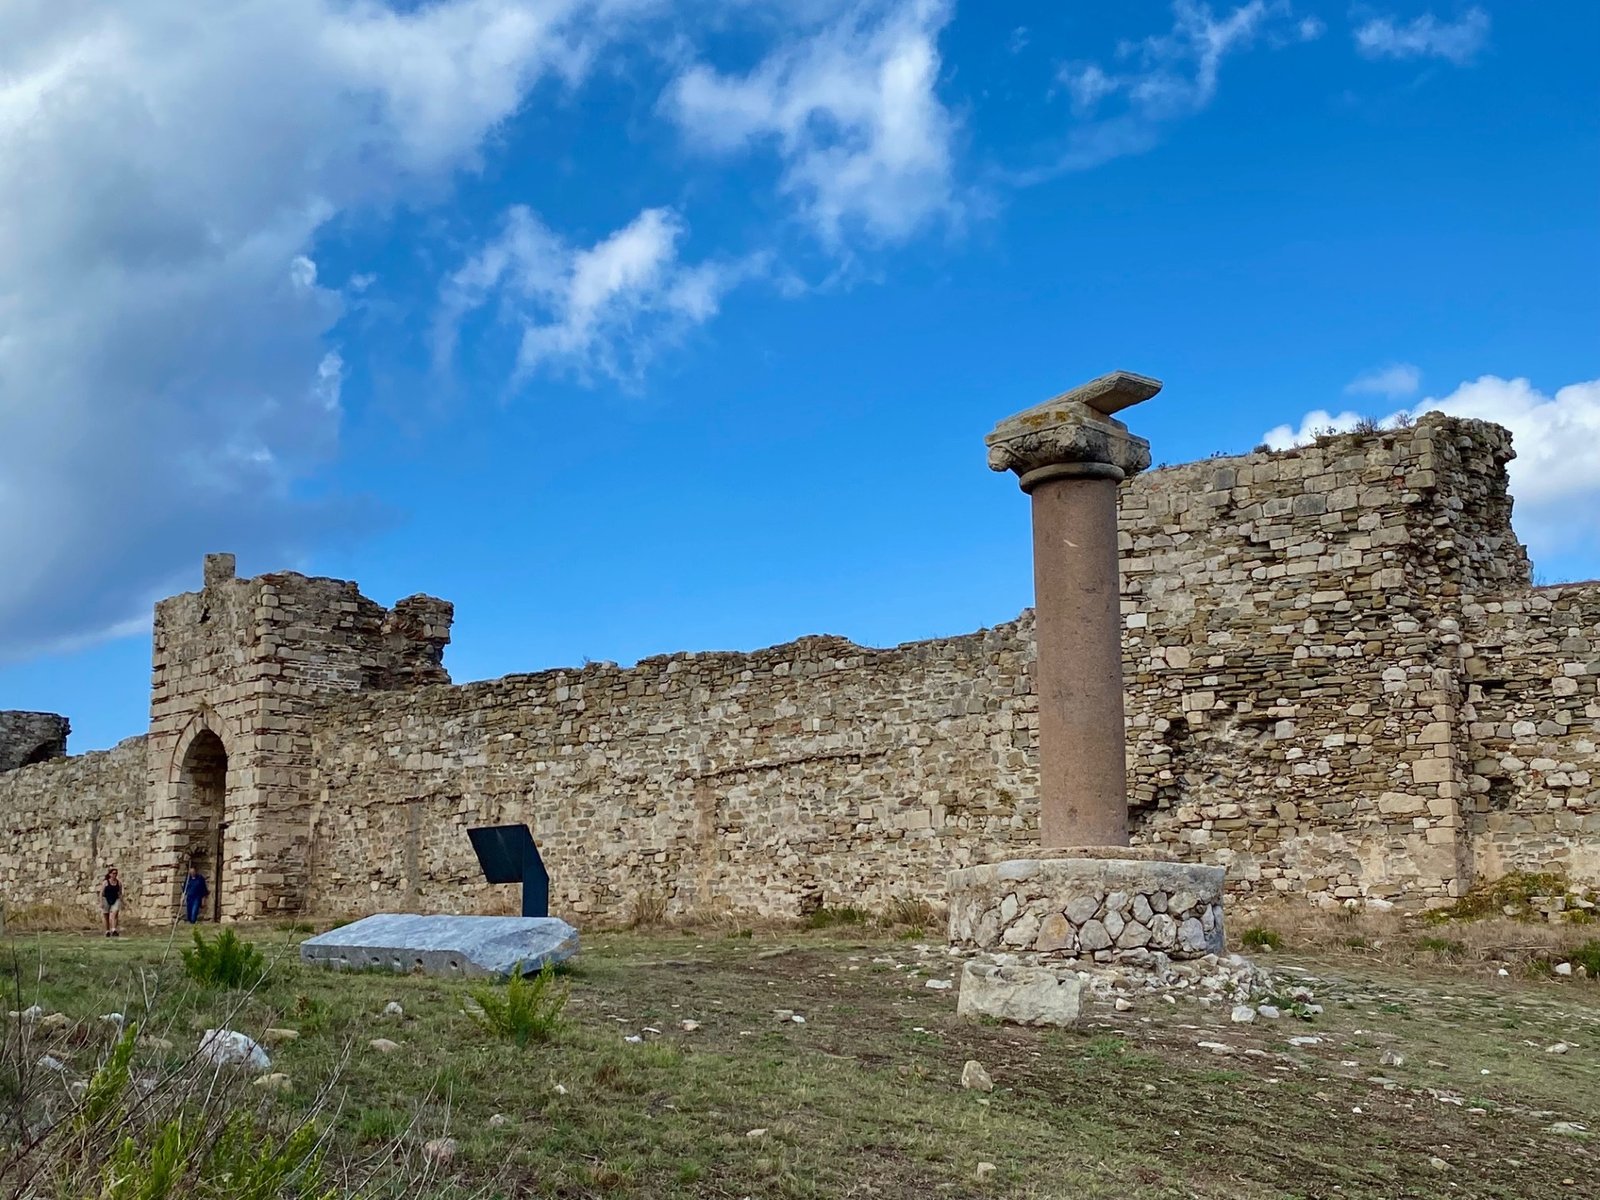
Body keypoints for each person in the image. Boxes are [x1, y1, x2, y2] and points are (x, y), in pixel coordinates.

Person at [100, 868, 123, 938]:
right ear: (110, 874)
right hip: (106, 899)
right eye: (113, 873)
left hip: (115, 899)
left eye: (116, 873)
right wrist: (101, 902)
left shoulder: (119, 883)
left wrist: (121, 900)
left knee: (115, 914)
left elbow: (120, 893)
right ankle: (107, 930)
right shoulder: (106, 882)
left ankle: (114, 929)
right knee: (106, 916)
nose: (115, 875)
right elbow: (101, 893)